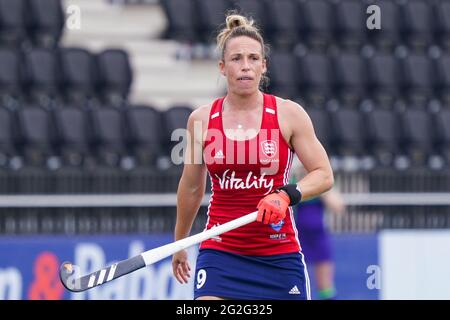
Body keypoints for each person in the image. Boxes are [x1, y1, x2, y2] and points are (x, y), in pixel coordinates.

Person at [171, 13, 334, 300]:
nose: (245, 66)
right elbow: (192, 188)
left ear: (263, 66)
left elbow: (323, 174)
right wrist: (179, 243)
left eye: (252, 58)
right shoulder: (201, 120)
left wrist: (285, 195)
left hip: (278, 255)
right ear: (222, 67)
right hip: (221, 252)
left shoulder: (289, 114)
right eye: (236, 59)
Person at [291, 159, 346, 300]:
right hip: (297, 238)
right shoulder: (293, 182)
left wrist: (321, 187)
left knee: (325, 285)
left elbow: (338, 207)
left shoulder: (325, 185)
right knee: (295, 285)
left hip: (318, 237)